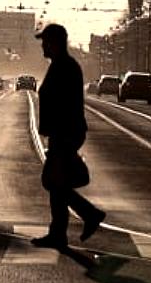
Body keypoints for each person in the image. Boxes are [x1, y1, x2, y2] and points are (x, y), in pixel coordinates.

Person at [31, 23, 104, 251]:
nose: (42, 45)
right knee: (56, 183)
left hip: (65, 132)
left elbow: (64, 102)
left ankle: (86, 216)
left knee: (55, 182)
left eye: (45, 41)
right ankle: (61, 232)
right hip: (63, 131)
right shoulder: (61, 65)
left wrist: (59, 131)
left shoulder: (65, 67)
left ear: (54, 43)